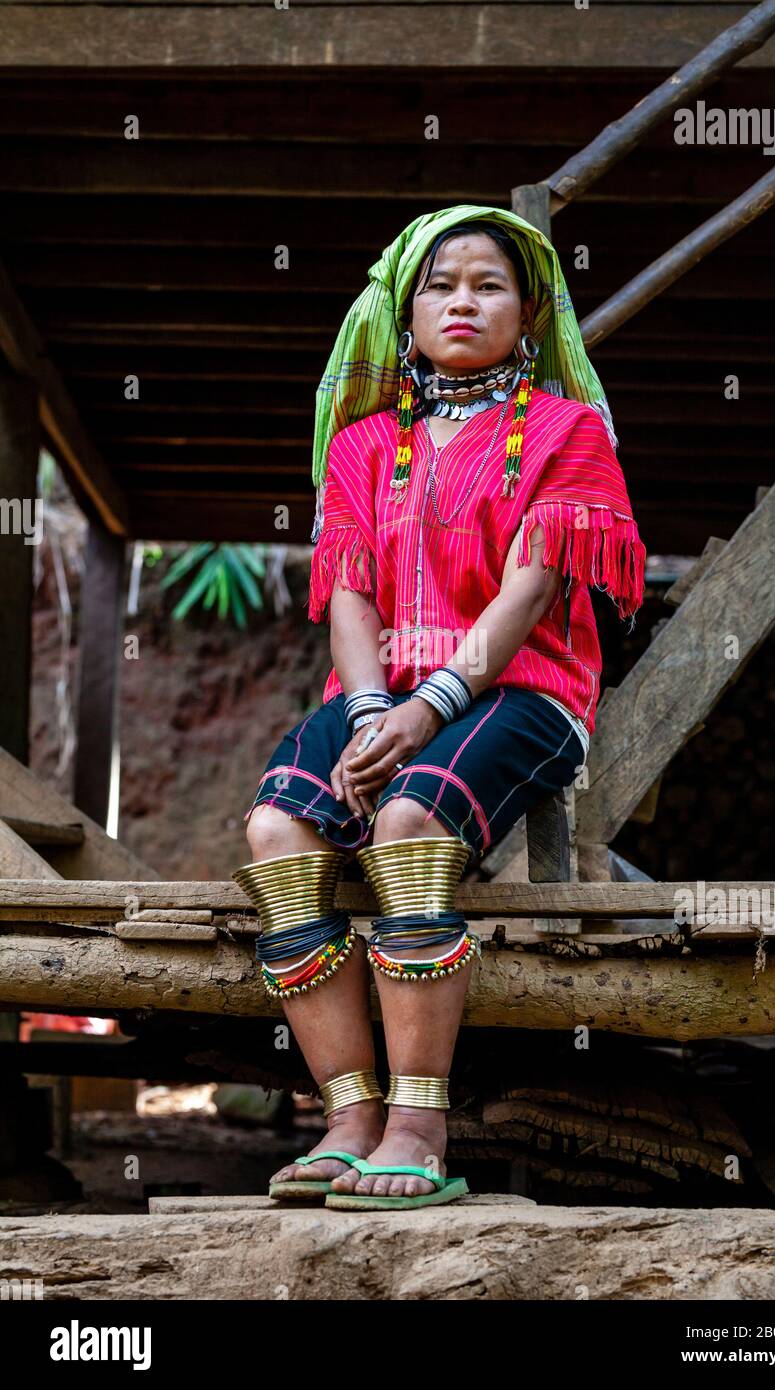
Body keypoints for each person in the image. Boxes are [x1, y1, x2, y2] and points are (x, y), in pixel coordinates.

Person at [234, 204, 646, 1211]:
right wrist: (375, 707)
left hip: (520, 687)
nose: (462, 300)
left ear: (529, 310)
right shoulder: (366, 443)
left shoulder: (566, 431)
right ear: (404, 311)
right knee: (275, 830)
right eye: (440, 284)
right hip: (384, 685)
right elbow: (349, 590)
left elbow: (531, 590)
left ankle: (418, 1126)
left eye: (488, 284)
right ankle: (347, 1117)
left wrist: (429, 711)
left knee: (409, 821)